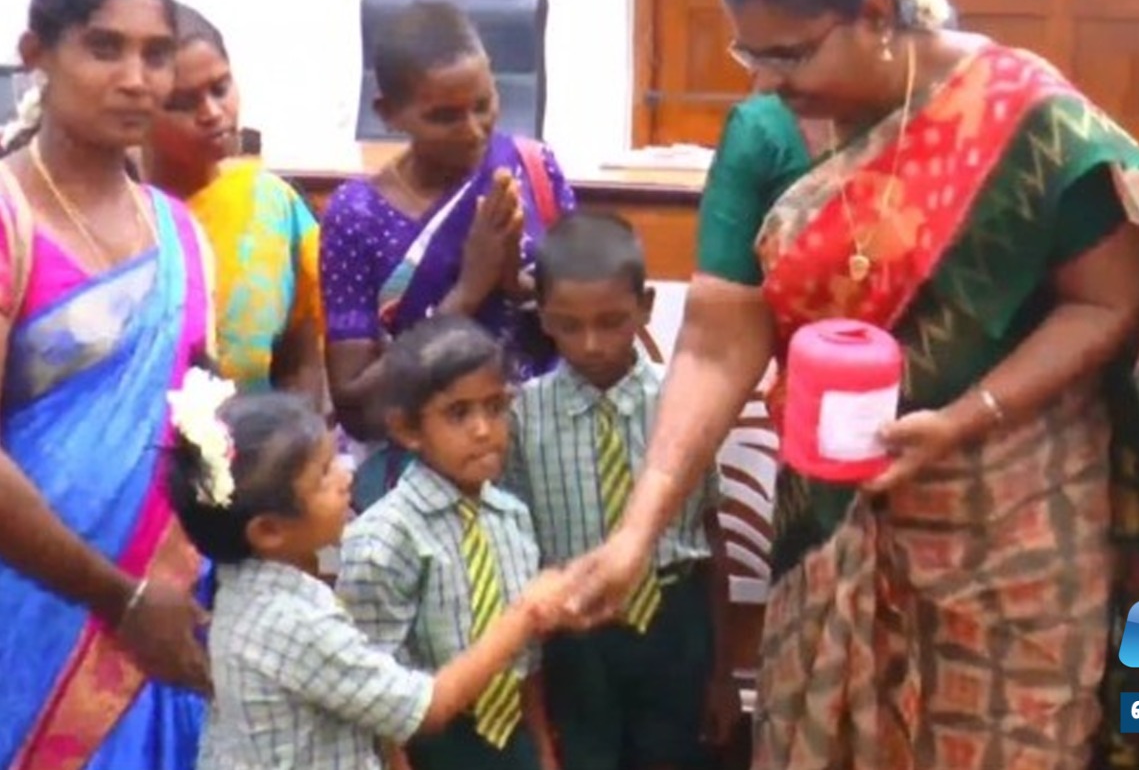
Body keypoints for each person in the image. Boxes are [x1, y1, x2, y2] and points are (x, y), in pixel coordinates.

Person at [556, 0, 1139, 770]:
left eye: (790, 54)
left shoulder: (1027, 124)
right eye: (752, 53)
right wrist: (637, 532)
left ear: (874, 15)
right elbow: (715, 341)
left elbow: (1108, 301)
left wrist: (964, 419)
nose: (767, 80)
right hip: (830, 522)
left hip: (1007, 527)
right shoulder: (765, 135)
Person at [0, 0, 214, 770]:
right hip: (34, 613)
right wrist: (120, 599)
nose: (135, 78)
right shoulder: (11, 218)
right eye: (104, 47)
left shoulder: (181, 233)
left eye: (156, 54)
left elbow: (201, 423)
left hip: (167, 611)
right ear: (37, 55)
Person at [165, 368, 568, 770]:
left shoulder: (247, 583)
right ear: (269, 530)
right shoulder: (295, 623)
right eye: (324, 474)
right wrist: (523, 615)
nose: (347, 476)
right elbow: (427, 707)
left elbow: (328, 571)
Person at [503, 212, 739, 770]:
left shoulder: (682, 405)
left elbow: (710, 536)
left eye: (611, 321)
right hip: (574, 631)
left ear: (646, 306)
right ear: (543, 317)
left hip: (675, 621)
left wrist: (724, 673)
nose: (591, 343)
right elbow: (515, 551)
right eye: (568, 325)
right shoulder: (522, 417)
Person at [319, 0, 577, 510]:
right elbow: (357, 406)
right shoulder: (357, 215)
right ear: (388, 114)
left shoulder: (532, 168)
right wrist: (469, 289)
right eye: (444, 116)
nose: (474, 129)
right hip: (418, 489)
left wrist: (515, 283)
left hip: (541, 462)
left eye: (484, 104)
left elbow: (583, 314)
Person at [339, 315, 557, 770]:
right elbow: (372, 686)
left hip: (511, 738)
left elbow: (526, 658)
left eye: (495, 407)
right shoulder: (385, 535)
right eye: (458, 414)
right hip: (433, 743)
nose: (483, 430)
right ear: (407, 430)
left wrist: (542, 751)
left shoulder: (513, 517)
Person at [143, 2, 324, 398]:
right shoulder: (122, 219)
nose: (212, 112)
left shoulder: (271, 205)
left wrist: (299, 430)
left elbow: (303, 357)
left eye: (220, 89)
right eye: (182, 103)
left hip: (262, 433)